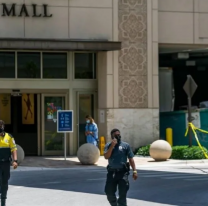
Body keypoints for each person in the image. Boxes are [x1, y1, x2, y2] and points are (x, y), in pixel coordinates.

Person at [104, 128, 138, 206]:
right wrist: (112, 146)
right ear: (112, 136)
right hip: (112, 172)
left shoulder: (125, 145)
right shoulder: (108, 145)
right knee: (109, 192)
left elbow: (131, 159)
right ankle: (114, 204)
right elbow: (106, 156)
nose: (118, 136)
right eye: (116, 135)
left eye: (119, 134)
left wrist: (135, 171)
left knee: (123, 193)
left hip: (123, 172)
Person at [0, 120, 18, 206]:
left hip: (6, 163)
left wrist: (15, 161)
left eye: (1, 126)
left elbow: (14, 149)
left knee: (5, 182)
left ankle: (3, 202)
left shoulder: (9, 136)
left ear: (3, 127)